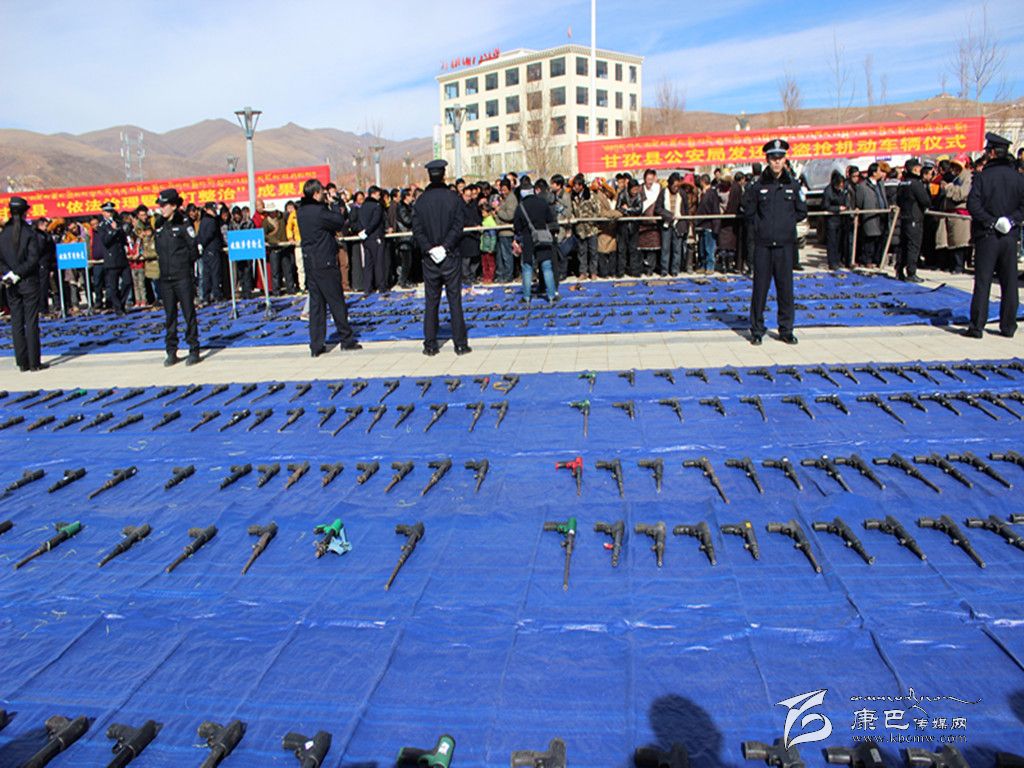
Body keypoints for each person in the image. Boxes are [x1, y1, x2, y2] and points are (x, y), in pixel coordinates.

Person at [741, 138, 806, 345]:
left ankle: (786, 329)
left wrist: (786, 225)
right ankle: (757, 330)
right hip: (763, 246)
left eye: (780, 158)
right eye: (773, 158)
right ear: (767, 160)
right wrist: (761, 227)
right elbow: (748, 212)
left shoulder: (793, 185)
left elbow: (801, 211)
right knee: (760, 290)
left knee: (785, 290)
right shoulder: (757, 186)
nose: (776, 162)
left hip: (785, 246)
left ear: (785, 159)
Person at [964, 132, 1024, 339]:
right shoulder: (1019, 178)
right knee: (1010, 282)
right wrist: (1012, 220)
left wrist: (991, 221)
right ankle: (1008, 326)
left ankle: (977, 326)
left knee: (983, 281)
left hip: (987, 235)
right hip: (1009, 236)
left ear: (991, 153)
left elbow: (973, 205)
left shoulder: (983, 177)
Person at [296, 178, 362, 356]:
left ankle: (316, 345)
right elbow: (339, 221)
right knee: (336, 302)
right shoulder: (319, 212)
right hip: (325, 261)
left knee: (316, 305)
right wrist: (333, 204)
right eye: (322, 193)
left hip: (310, 262)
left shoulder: (301, 211)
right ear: (316, 194)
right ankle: (346, 339)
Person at [412, 159, 470, 356]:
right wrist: (445, 247)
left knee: (431, 302)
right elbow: (458, 226)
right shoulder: (453, 198)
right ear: (444, 175)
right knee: (454, 300)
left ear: (429, 176)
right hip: (450, 256)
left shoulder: (421, 201)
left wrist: (430, 248)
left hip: (430, 259)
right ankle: (460, 344)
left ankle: (430, 344)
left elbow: (417, 230)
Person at [153, 188, 201, 366]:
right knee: (170, 316)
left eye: (164, 205)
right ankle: (171, 350)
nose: (161, 209)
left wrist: (183, 265)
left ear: (173, 206)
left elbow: (193, 249)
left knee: (188, 313)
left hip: (182, 277)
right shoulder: (159, 224)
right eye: (160, 205)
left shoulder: (184, 223)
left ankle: (193, 349)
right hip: (165, 278)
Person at [0, 197, 43, 371]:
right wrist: (18, 273)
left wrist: (9, 274)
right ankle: (34, 362)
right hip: (28, 281)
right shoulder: (29, 233)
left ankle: (22, 362)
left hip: (11, 283)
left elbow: (1, 260)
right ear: (25, 212)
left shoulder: (3, 234)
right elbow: (33, 259)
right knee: (31, 321)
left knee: (16, 322)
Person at [514, 177, 559, 303]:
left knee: (527, 267)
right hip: (542, 237)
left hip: (528, 238)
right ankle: (551, 295)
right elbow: (550, 219)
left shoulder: (521, 206)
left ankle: (526, 296)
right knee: (546, 266)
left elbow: (517, 226)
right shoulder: (542, 203)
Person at [895, 158, 931, 282]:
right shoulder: (916, 184)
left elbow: (898, 200)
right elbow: (925, 200)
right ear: (915, 169)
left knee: (904, 245)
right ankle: (911, 272)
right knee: (913, 246)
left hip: (905, 216)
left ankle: (899, 270)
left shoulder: (903, 183)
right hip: (914, 217)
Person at [854, 163, 890, 267]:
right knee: (870, 240)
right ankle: (867, 260)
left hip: (882, 216)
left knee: (881, 239)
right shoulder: (863, 186)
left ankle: (877, 260)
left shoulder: (880, 184)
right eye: (880, 171)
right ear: (874, 173)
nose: (881, 173)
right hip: (870, 216)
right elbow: (859, 202)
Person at [99, 201, 130, 314]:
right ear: (103, 213)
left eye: (111, 211)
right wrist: (113, 230)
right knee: (113, 286)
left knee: (127, 282)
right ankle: (118, 308)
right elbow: (105, 241)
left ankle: (121, 303)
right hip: (111, 259)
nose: (110, 214)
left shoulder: (118, 223)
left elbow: (123, 238)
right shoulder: (102, 226)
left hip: (122, 257)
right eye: (107, 212)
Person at [359, 186, 387, 295]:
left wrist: (363, 232)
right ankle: (381, 286)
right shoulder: (376, 206)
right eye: (378, 194)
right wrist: (367, 231)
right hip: (375, 236)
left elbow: (361, 221)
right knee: (379, 262)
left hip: (366, 239)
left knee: (368, 263)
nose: (379, 197)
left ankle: (367, 287)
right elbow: (375, 221)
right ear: (374, 194)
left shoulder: (363, 206)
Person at [198, 201, 224, 303]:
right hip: (212, 249)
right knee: (214, 273)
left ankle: (206, 296)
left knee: (206, 274)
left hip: (206, 250)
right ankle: (216, 295)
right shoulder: (211, 221)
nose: (214, 212)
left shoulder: (203, 220)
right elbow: (209, 234)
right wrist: (203, 243)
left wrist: (201, 244)